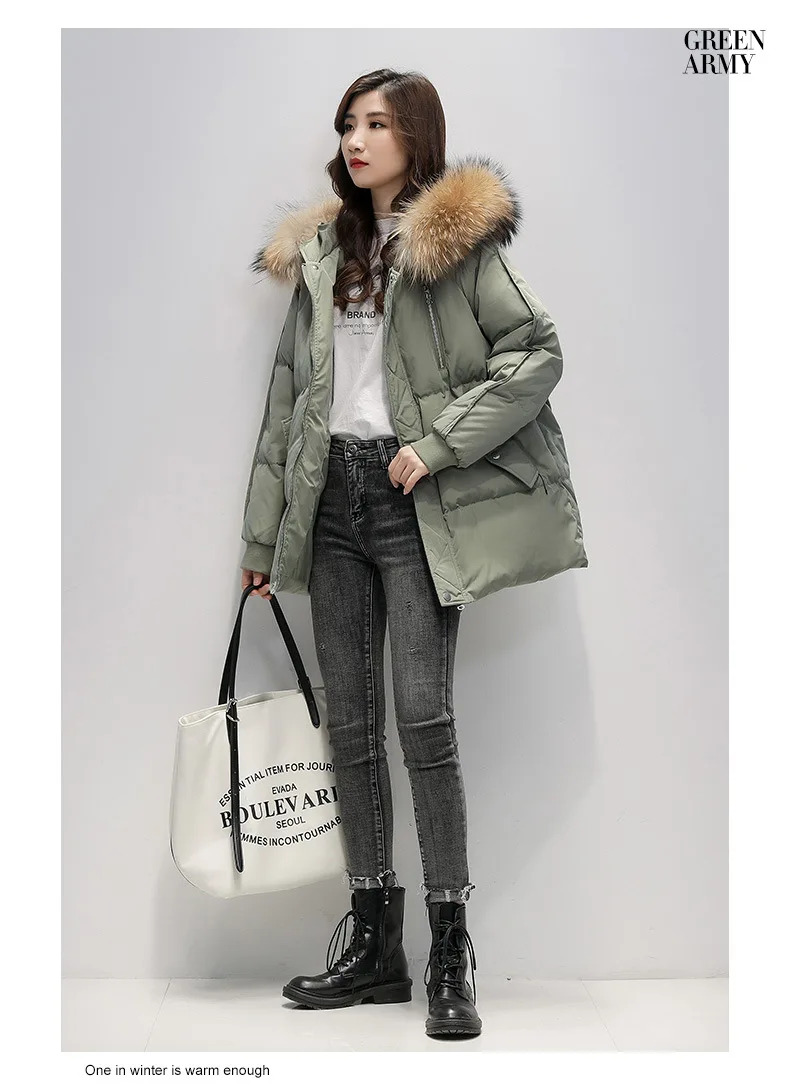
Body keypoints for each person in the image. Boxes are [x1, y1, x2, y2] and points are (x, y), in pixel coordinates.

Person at [239, 68, 588, 1040]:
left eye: (377, 124)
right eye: (348, 124)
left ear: (416, 136)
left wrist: (435, 445)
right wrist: (263, 534)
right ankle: (373, 944)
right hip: (330, 504)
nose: (356, 140)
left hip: (410, 502)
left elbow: (537, 352)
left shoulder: (453, 247)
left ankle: (448, 945)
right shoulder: (326, 252)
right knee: (350, 729)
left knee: (423, 720)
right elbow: (285, 402)